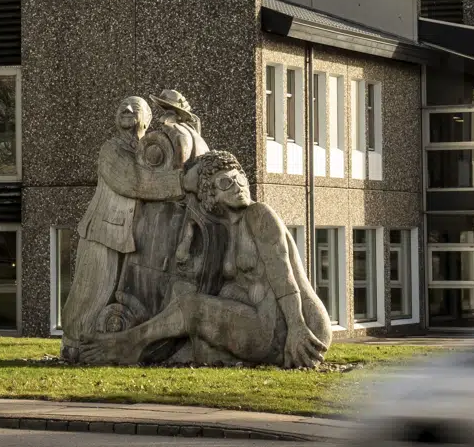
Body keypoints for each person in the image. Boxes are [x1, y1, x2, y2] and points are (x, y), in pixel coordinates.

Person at [79, 150, 332, 368]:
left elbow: (283, 274)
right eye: (225, 183)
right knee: (206, 318)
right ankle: (141, 346)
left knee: (192, 307)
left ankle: (127, 343)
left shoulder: (259, 214)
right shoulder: (229, 229)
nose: (238, 187)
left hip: (293, 325)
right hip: (267, 320)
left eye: (239, 179)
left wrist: (297, 328)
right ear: (210, 193)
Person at [61, 97, 183, 360]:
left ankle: (111, 344)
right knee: (92, 289)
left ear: (147, 119)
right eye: (122, 108)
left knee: (122, 292)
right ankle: (75, 344)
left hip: (131, 237)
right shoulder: (111, 150)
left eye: (135, 109)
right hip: (102, 232)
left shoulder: (147, 148)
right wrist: (183, 182)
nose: (127, 111)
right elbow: (133, 182)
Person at [116, 90, 211, 324]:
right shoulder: (196, 136)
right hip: (183, 210)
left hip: (168, 212)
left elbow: (177, 166)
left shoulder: (176, 132)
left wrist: (170, 181)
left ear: (172, 113)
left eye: (164, 110)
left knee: (151, 267)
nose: (160, 117)